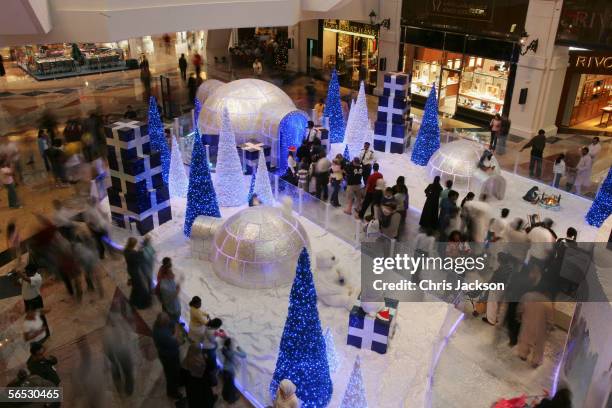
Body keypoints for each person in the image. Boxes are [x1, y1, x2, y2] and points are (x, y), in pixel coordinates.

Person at [516, 287, 554, 367]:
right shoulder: (547, 303)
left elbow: (520, 309)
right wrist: (550, 327)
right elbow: (550, 319)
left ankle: (523, 354)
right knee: (539, 347)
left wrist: (519, 317)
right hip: (540, 329)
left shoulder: (527, 296)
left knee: (525, 340)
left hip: (527, 324)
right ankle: (536, 361)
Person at [153, 312, 183, 399]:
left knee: (176, 371)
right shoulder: (163, 335)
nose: (169, 320)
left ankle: (178, 382)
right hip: (168, 357)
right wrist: (177, 332)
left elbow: (172, 323)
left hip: (171, 354)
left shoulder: (159, 323)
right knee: (171, 375)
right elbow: (176, 342)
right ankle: (172, 392)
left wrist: (174, 327)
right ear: (163, 323)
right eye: (167, 320)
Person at [103, 312, 135, 396]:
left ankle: (122, 390)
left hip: (119, 353)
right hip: (121, 353)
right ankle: (127, 390)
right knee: (126, 372)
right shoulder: (108, 331)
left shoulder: (106, 331)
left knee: (121, 373)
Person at [181, 343, 216, 408]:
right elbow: (210, 369)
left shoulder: (185, 362)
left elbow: (182, 379)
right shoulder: (202, 362)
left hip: (191, 389)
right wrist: (207, 359)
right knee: (205, 400)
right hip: (203, 388)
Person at [123, 237, 151, 309]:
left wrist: (141, 248)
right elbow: (140, 258)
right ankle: (141, 304)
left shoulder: (126, 250)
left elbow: (136, 254)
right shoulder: (132, 253)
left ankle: (132, 301)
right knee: (140, 288)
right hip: (135, 272)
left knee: (136, 287)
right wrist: (142, 249)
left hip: (130, 270)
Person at [221, 338, 247, 403]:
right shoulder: (232, 352)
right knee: (230, 385)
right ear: (230, 345)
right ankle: (231, 399)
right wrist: (239, 348)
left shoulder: (223, 350)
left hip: (224, 369)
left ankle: (225, 396)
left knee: (226, 384)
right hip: (230, 371)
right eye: (231, 344)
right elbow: (244, 355)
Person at [157, 257, 181, 323]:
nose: (173, 274)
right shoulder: (164, 286)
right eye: (171, 273)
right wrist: (178, 289)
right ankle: (171, 323)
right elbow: (172, 296)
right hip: (172, 307)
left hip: (168, 303)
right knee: (171, 317)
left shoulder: (168, 278)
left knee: (166, 309)